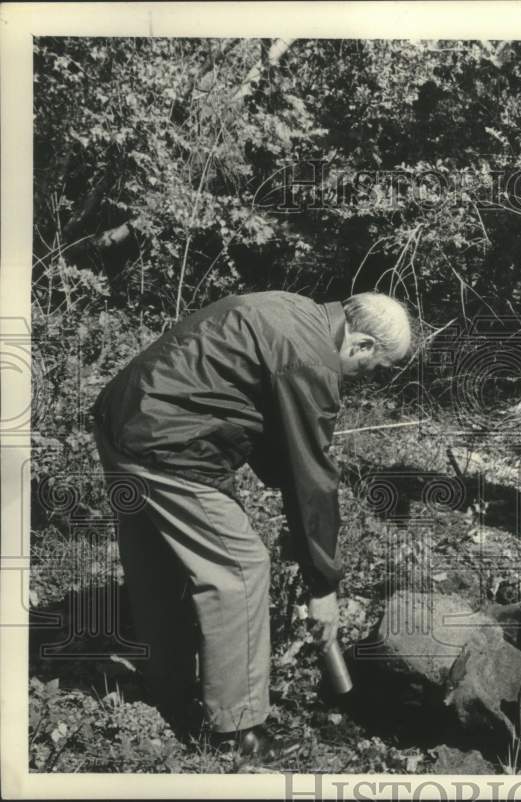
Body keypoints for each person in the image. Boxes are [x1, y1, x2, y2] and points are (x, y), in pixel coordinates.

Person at [91, 290, 413, 758]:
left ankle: (169, 687)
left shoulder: (294, 310)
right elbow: (312, 476)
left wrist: (304, 542)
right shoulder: (311, 360)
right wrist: (323, 587)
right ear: (361, 344)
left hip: (124, 419)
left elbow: (276, 443)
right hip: (167, 446)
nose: (370, 378)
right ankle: (238, 732)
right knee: (242, 568)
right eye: (376, 366)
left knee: (160, 563)